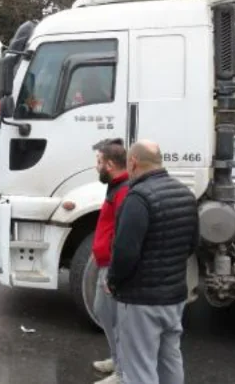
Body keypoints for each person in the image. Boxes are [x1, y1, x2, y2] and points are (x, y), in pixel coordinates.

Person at [107, 140, 199, 384]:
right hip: (174, 297)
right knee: (170, 358)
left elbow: (125, 252)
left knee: (139, 369)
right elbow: (192, 244)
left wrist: (113, 281)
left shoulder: (138, 198)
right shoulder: (185, 194)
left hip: (140, 300)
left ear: (133, 163)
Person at [90, 138, 129, 384]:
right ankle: (116, 360)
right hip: (105, 263)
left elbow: (124, 234)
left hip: (112, 267)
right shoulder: (115, 186)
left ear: (110, 164)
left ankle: (123, 373)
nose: (96, 167)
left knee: (117, 320)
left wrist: (113, 270)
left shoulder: (123, 190)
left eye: (99, 162)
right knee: (103, 312)